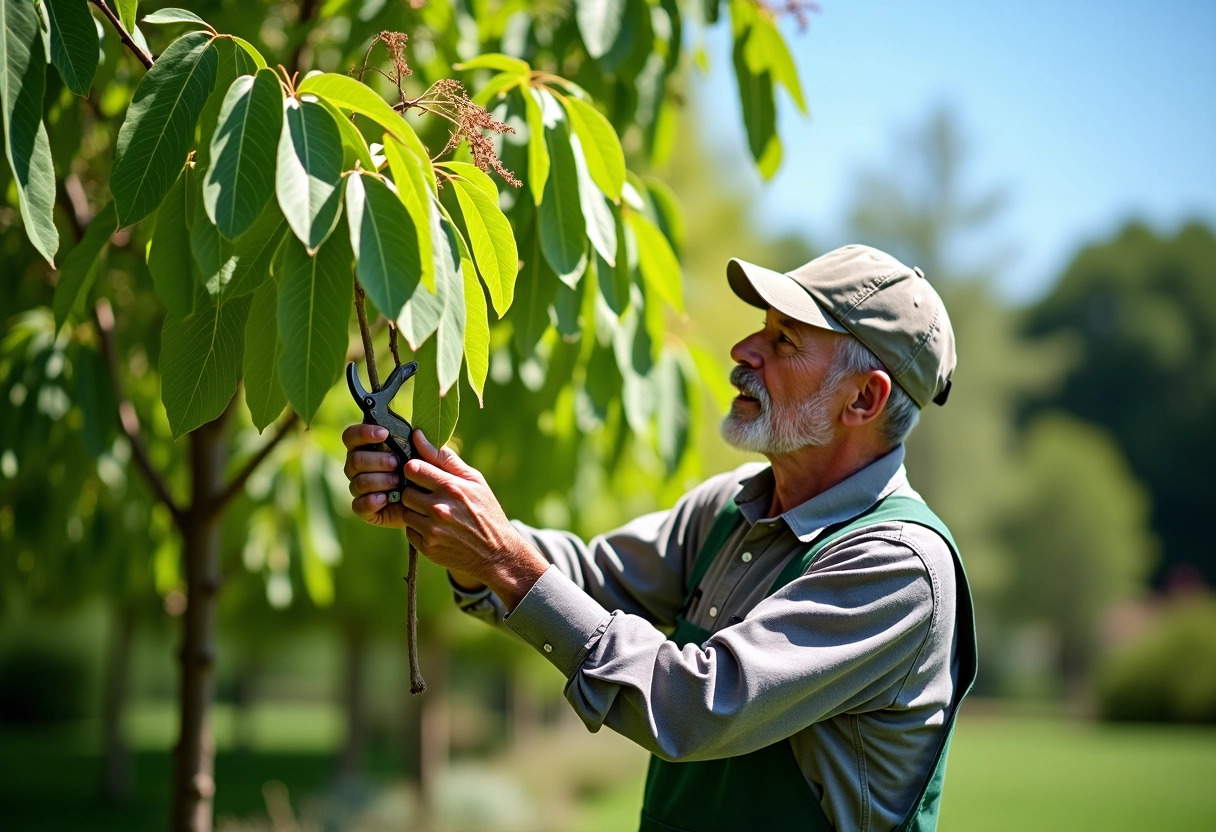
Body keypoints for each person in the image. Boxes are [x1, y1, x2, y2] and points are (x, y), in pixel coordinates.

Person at [341, 244, 976, 832]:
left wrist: (496, 555)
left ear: (864, 398)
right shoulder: (732, 507)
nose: (743, 350)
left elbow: (697, 707)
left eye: (784, 341)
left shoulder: (899, 568)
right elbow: (584, 579)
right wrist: (443, 500)